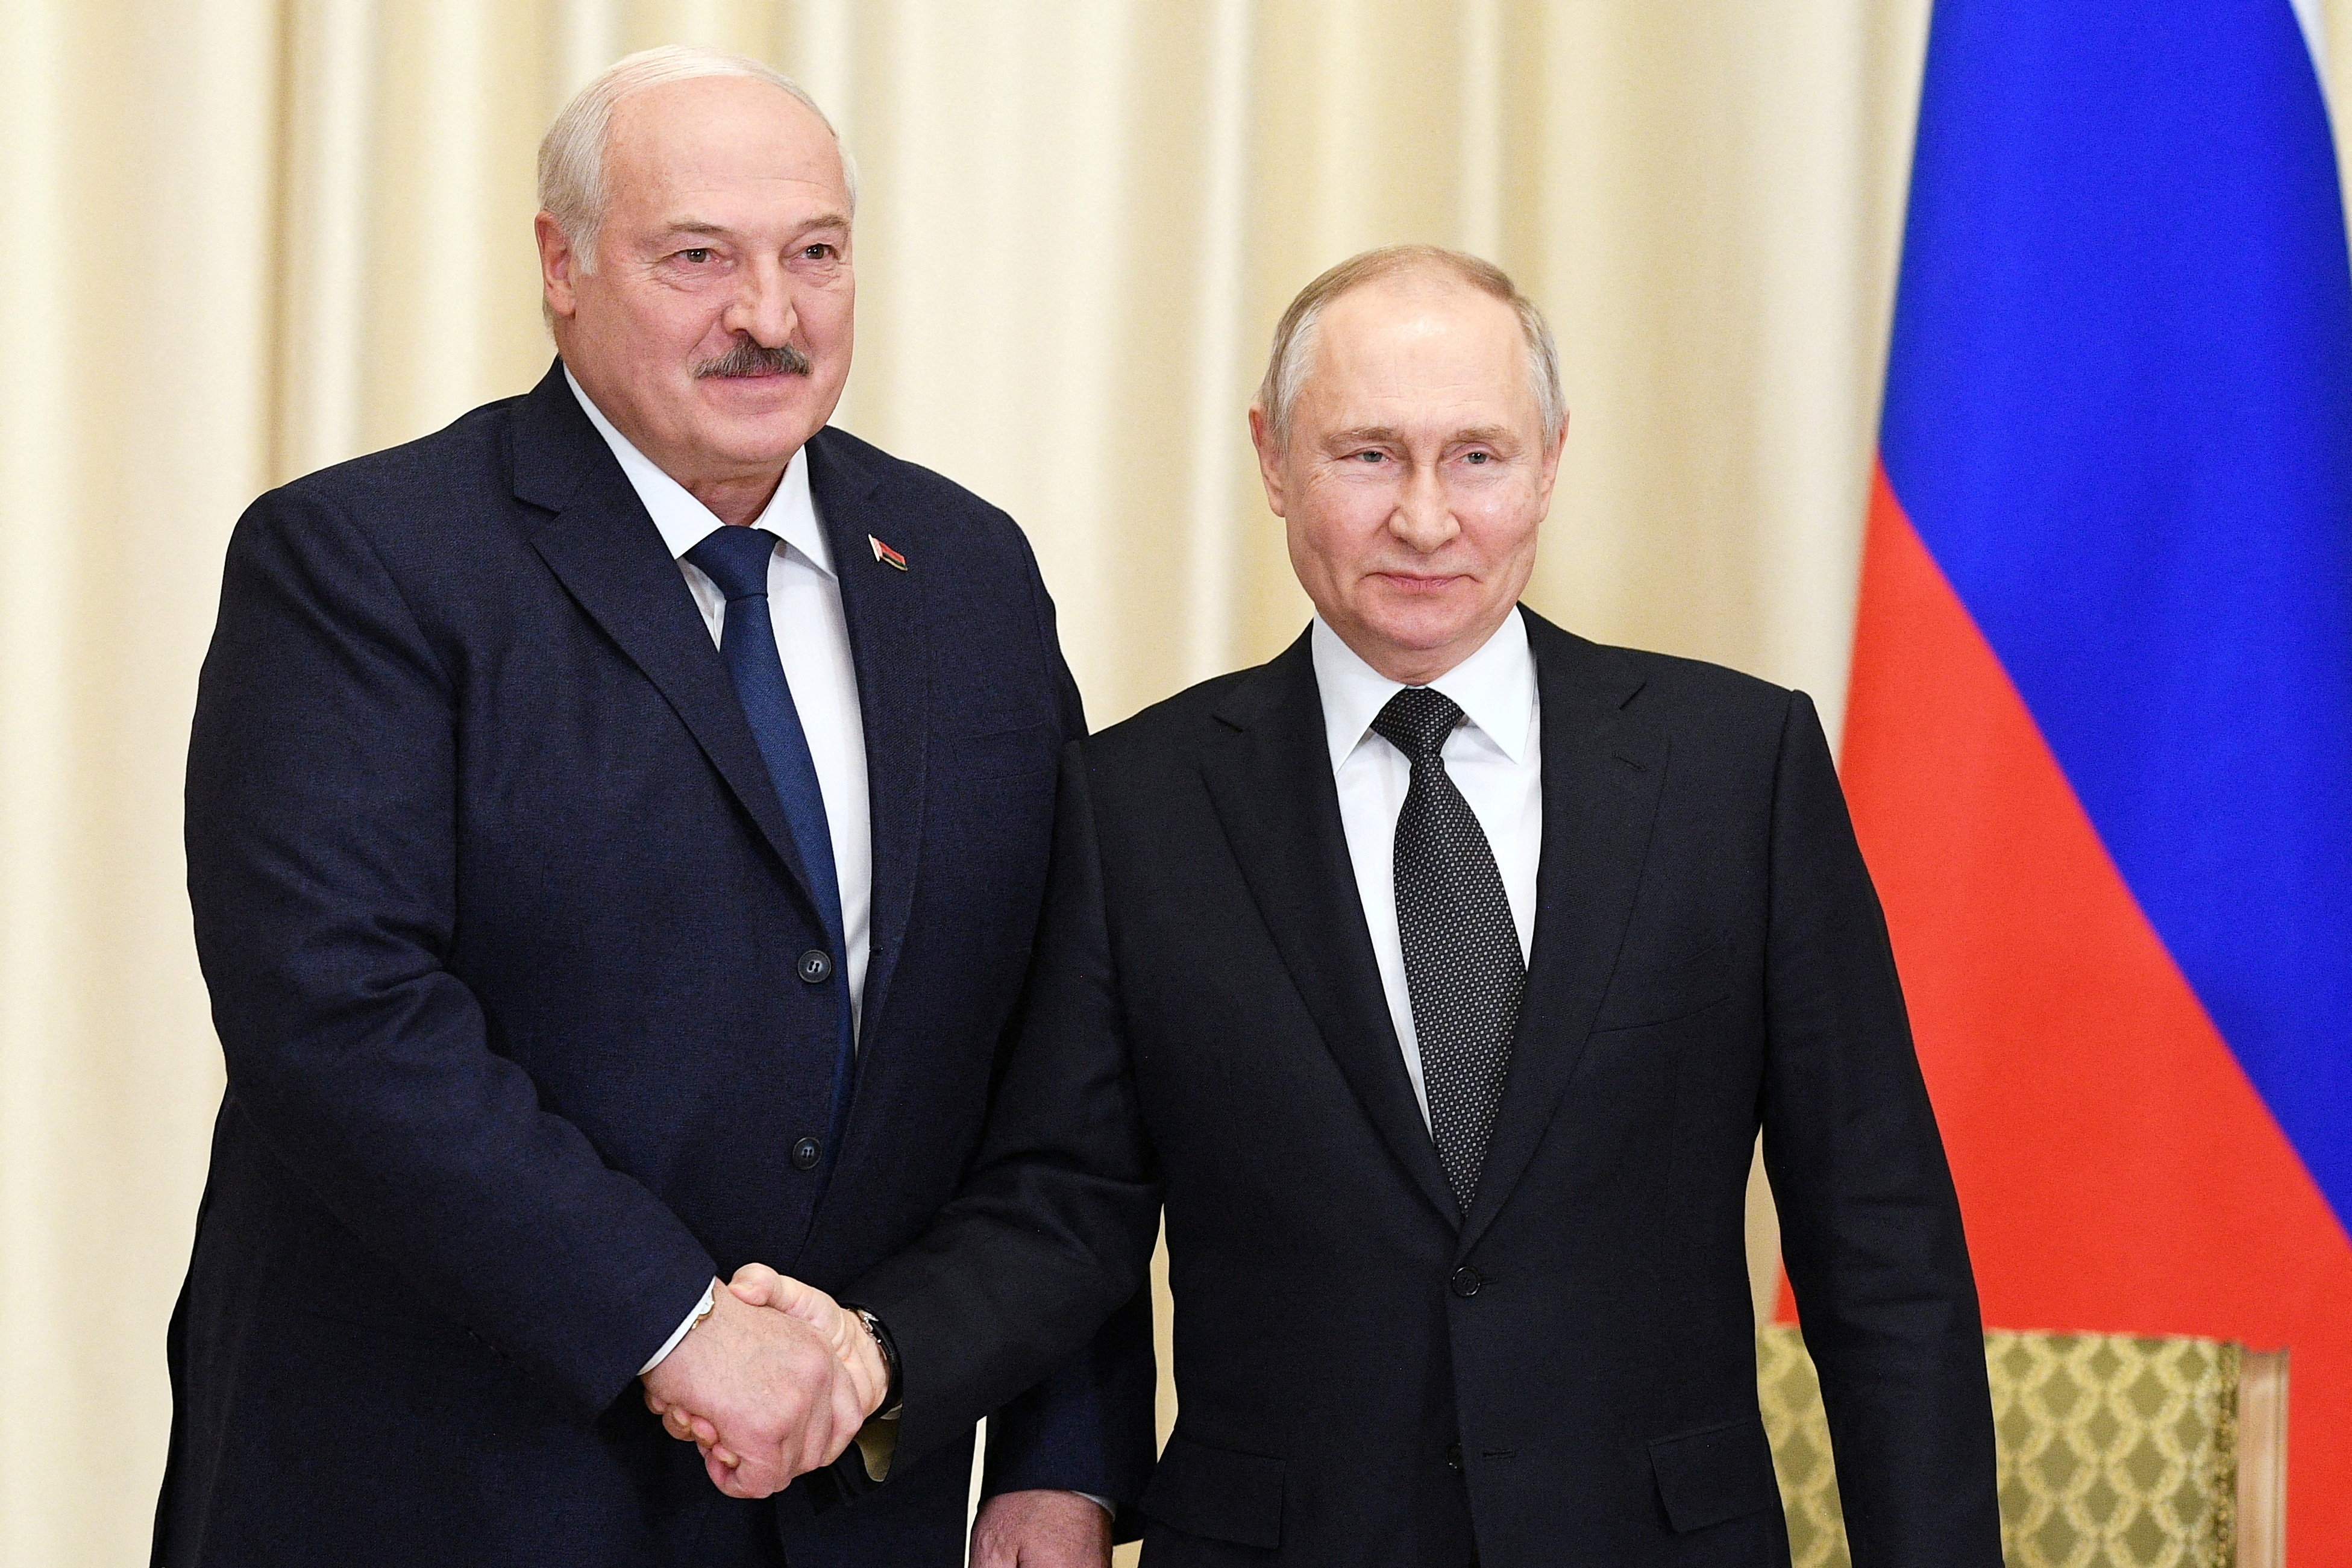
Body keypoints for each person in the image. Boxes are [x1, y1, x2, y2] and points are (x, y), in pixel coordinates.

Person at [676, 246, 2004, 1565]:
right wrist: (878, 1350)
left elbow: (1876, 1240)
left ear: (1549, 458)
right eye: (1366, 455)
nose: (1424, 519)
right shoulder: (1130, 804)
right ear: (1270, 457)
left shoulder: (1738, 769)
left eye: (1475, 457)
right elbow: (1065, 1202)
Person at [155, 45, 1150, 1568]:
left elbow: (1063, 1062)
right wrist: (675, 1325)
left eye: (814, 253)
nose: (770, 314)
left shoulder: (967, 574)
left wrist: (1058, 1453)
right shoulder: (361, 562)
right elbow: (337, 1013)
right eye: (698, 257)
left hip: (851, 1502)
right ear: (558, 266)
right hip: (439, 1491)